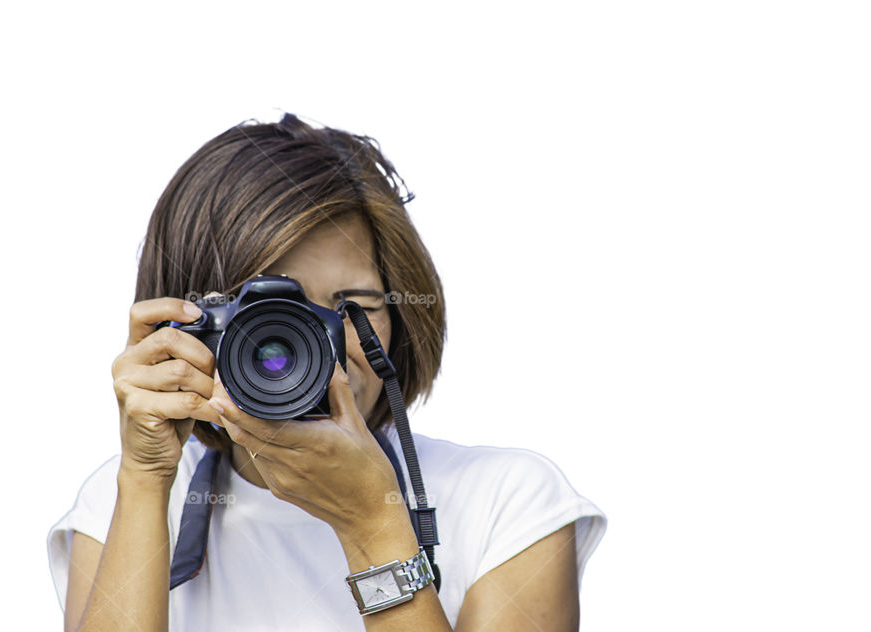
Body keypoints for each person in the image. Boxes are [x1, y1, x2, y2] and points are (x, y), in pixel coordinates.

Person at [47, 113, 607, 631]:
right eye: (267, 316)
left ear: (402, 316)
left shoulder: (508, 503)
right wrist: (144, 481)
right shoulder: (124, 502)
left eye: (350, 305)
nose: (311, 345)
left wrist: (373, 526)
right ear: (184, 327)